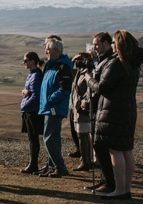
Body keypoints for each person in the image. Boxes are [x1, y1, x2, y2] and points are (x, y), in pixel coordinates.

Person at [87, 29, 143, 200]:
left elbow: (103, 87)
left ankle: (119, 189)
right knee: (126, 150)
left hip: (113, 110)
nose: (111, 46)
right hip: (128, 109)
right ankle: (126, 188)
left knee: (116, 151)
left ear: (118, 44)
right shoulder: (133, 63)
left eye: (113, 43)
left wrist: (89, 79)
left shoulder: (117, 63)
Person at [85, 32, 117, 193]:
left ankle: (110, 182)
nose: (95, 47)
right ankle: (106, 179)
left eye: (97, 44)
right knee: (99, 145)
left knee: (102, 145)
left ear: (106, 43)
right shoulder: (104, 60)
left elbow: (101, 86)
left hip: (103, 107)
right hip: (98, 107)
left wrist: (88, 78)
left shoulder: (110, 61)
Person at [38, 36, 73, 178]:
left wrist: (50, 100)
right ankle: (52, 166)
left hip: (54, 107)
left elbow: (64, 89)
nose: (46, 52)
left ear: (56, 50)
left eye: (48, 49)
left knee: (50, 137)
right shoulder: (52, 64)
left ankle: (59, 167)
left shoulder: (62, 66)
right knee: (52, 138)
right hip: (49, 106)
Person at [19, 51, 45, 174]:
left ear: (33, 61)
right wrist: (26, 92)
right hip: (29, 110)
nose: (24, 63)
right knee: (32, 138)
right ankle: (32, 163)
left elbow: (35, 96)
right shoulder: (32, 74)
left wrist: (25, 103)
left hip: (32, 111)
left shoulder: (36, 75)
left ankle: (33, 164)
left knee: (33, 139)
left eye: (26, 60)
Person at [70, 50, 95, 172]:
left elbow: (90, 91)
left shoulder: (88, 73)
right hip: (77, 108)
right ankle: (86, 160)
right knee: (81, 135)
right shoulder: (80, 72)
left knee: (83, 135)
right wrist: (73, 61)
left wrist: (85, 101)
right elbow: (68, 72)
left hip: (83, 109)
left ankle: (85, 161)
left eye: (81, 59)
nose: (79, 62)